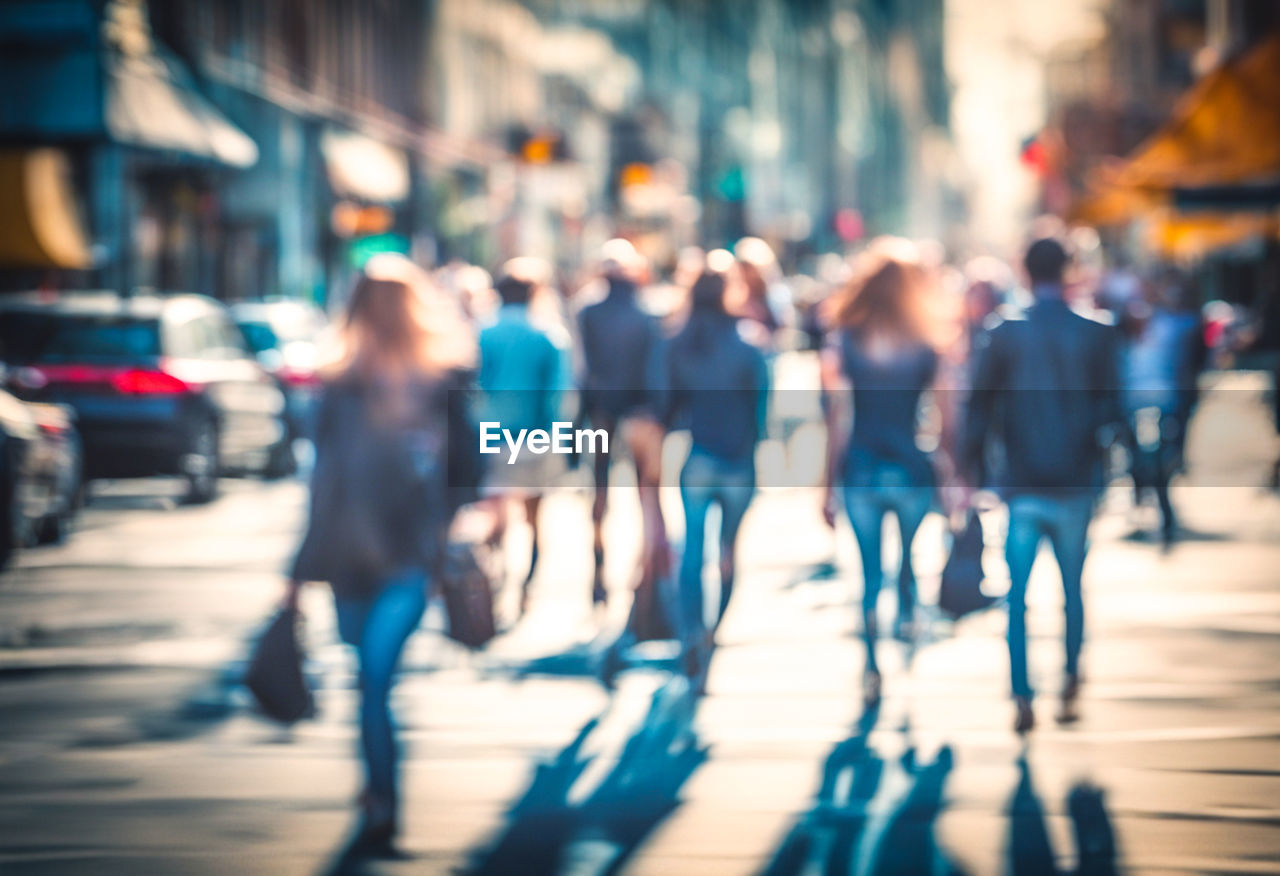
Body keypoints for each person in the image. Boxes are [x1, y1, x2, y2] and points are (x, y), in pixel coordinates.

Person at [284, 254, 481, 852]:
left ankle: (381, 800)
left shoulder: (442, 382)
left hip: (400, 560)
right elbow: (326, 480)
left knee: (372, 677)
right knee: (366, 678)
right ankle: (377, 791)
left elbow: (466, 469)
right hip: (359, 558)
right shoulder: (341, 385)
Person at [963, 236, 1123, 733]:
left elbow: (977, 406)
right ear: (1068, 270)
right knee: (1072, 589)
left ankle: (1022, 692)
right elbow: (1112, 408)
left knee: (1018, 594)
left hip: (1023, 482)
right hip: (1074, 482)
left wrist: (971, 472)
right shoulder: (1095, 333)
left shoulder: (1005, 333)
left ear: (1026, 272)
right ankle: (1071, 676)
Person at [820, 238, 945, 707]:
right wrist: (953, 474)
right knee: (908, 556)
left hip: (862, 467)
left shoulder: (848, 340)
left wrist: (826, 484)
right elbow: (944, 415)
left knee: (870, 574)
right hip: (911, 466)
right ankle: (909, 604)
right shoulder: (926, 343)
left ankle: (872, 663)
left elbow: (837, 416)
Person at [665, 266, 769, 692]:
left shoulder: (677, 343)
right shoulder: (749, 344)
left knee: (692, 550)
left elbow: (666, 404)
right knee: (728, 552)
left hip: (698, 458)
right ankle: (713, 632)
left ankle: (692, 631)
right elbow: (763, 411)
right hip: (738, 462)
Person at [577, 239, 669, 609]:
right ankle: (644, 577)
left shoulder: (588, 311)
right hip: (639, 413)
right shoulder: (648, 313)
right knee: (646, 493)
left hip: (603, 411)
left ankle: (600, 570)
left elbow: (582, 371)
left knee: (600, 492)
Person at [477, 261, 570, 615]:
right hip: (535, 437)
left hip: (491, 436)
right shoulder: (549, 335)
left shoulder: (483, 332)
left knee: (495, 514)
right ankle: (526, 588)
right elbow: (558, 396)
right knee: (535, 519)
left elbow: (472, 388)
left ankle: (494, 578)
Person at [1118, 271, 1204, 547]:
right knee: (1139, 458)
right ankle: (1146, 500)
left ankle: (1159, 507)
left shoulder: (1169, 327)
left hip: (1163, 402)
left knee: (1156, 461)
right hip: (1136, 404)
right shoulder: (1124, 335)